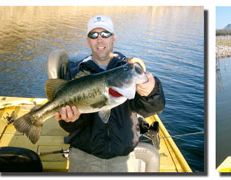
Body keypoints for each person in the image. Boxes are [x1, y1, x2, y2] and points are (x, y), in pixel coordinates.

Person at [54, 15, 165, 172]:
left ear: (114, 38)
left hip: (123, 160)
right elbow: (67, 125)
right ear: (88, 40)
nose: (100, 40)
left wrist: (151, 92)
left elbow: (153, 109)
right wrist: (70, 120)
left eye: (105, 34)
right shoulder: (75, 73)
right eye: (94, 35)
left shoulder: (127, 70)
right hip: (83, 158)